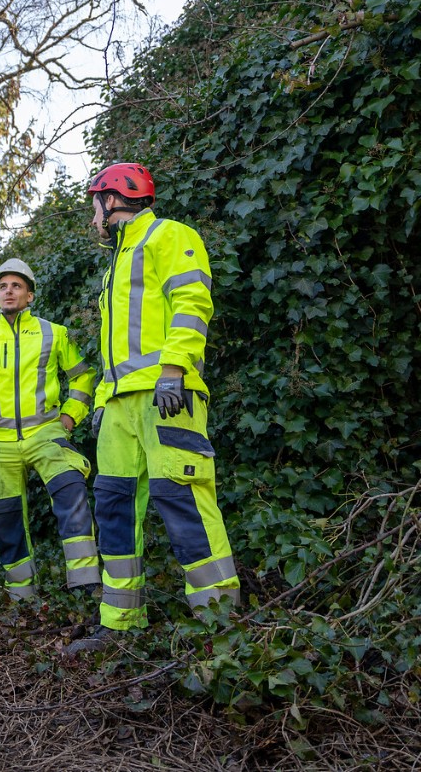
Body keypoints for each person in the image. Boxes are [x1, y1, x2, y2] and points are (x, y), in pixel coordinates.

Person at [69, 163, 240, 653]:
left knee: (181, 496)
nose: (93, 216)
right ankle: (120, 623)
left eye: (94, 204)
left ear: (112, 199)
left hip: (168, 393)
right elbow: (116, 347)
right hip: (120, 405)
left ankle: (221, 627)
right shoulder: (117, 263)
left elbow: (192, 302)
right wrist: (103, 400)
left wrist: (175, 368)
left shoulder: (170, 235)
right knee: (114, 505)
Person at [0, 258, 100, 602]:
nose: (8, 291)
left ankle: (86, 587)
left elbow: (83, 376)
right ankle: (23, 598)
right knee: (8, 522)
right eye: (2, 287)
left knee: (72, 493)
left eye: (16, 286)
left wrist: (70, 416)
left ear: (30, 295)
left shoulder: (53, 332)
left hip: (47, 434)